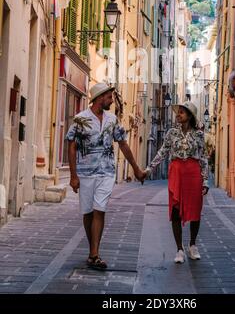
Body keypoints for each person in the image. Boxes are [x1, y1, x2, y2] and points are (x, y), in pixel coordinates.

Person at [66, 82, 145, 270]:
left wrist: (136, 168)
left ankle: (94, 254)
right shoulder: (80, 119)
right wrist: (73, 176)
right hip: (85, 173)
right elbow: (72, 146)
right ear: (99, 98)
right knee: (88, 212)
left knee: (99, 209)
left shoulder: (113, 120)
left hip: (107, 172)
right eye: (109, 97)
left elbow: (123, 144)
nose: (111, 100)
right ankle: (92, 248)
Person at [145, 101, 209, 264]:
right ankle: (179, 249)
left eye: (181, 112)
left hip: (194, 173)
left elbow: (203, 158)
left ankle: (192, 245)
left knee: (195, 210)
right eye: (178, 112)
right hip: (177, 172)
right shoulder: (171, 133)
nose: (177, 114)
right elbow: (162, 152)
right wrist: (149, 169)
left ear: (189, 116)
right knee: (175, 210)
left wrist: (206, 180)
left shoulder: (199, 135)